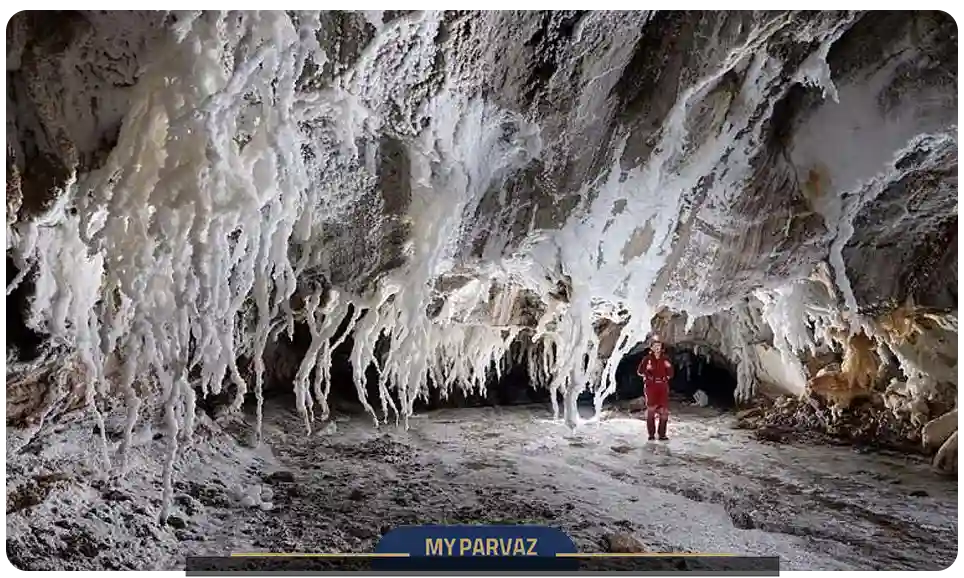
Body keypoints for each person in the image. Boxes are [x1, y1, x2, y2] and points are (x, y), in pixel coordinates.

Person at [637, 336, 674, 441]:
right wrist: (646, 373)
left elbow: (671, 373)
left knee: (664, 411)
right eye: (655, 346)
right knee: (651, 410)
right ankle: (651, 434)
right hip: (651, 386)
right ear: (651, 348)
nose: (657, 348)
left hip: (662, 386)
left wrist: (667, 371)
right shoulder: (647, 359)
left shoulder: (665, 359)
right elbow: (639, 371)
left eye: (659, 346)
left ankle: (662, 434)